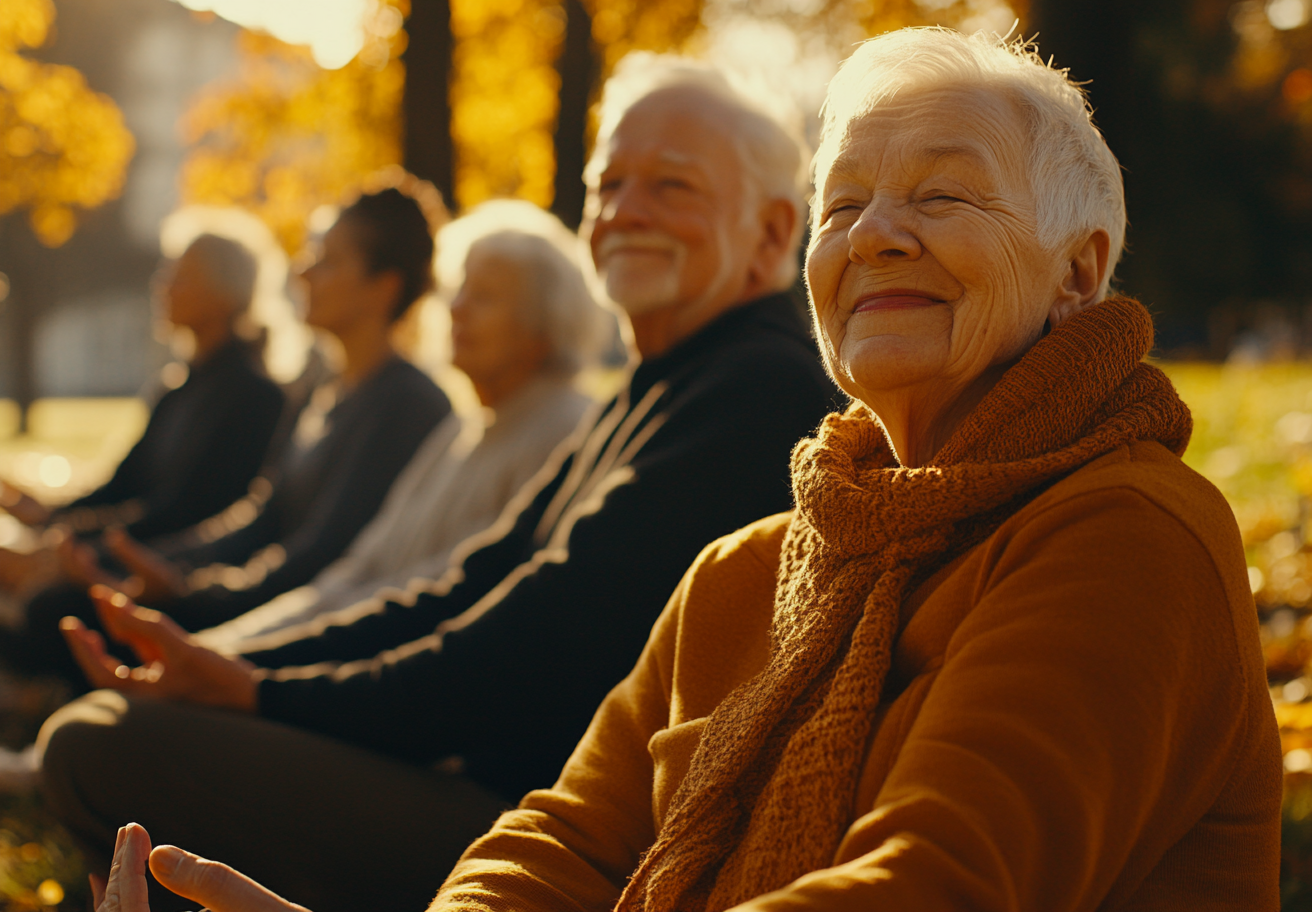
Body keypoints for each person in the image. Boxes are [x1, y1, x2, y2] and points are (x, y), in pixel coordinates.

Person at [40, 53, 837, 912]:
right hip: (507, 799)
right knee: (101, 729)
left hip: (562, 847)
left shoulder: (754, 389)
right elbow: (463, 584)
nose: (623, 212)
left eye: (671, 187)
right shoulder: (666, 380)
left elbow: (523, 650)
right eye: (607, 185)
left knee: (98, 745)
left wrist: (260, 691)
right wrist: (234, 669)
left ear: (770, 231)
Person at [13, 180, 453, 684]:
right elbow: (260, 516)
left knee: (62, 609)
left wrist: (188, 590)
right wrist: (153, 569)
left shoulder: (406, 404)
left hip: (303, 633)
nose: (303, 271)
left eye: (327, 261)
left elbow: (319, 557)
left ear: (384, 287)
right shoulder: (321, 389)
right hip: (247, 597)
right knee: (74, 601)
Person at [196, 200, 603, 651]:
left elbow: (434, 597)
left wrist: (236, 656)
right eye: (457, 291)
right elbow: (356, 571)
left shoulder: (562, 430)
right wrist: (220, 646)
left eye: (484, 297)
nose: (457, 310)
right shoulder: (461, 430)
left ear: (545, 327)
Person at [0, 234, 285, 601]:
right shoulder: (177, 388)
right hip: (134, 548)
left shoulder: (254, 396)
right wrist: (50, 518)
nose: (162, 285)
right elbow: (121, 486)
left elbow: (183, 512)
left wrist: (69, 547)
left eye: (182, 276)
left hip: (175, 565)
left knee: (44, 605)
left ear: (225, 294)